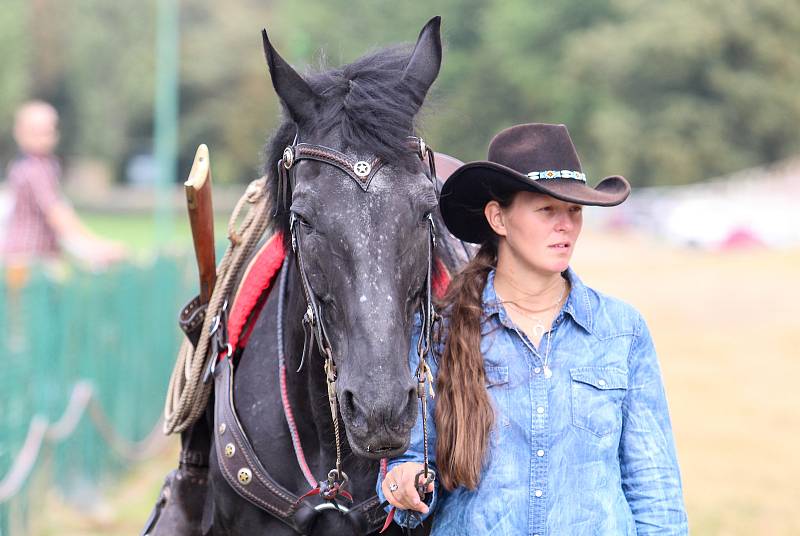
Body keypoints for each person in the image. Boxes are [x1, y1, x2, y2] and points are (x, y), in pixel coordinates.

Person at [378, 123, 688, 534]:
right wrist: (403, 482)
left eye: (574, 210)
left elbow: (655, 491)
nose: (566, 225)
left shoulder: (622, 331)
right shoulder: (439, 332)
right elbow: (413, 463)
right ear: (498, 218)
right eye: (547, 210)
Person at [2, 100, 125, 287]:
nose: (42, 137)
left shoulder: (33, 165)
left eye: (47, 130)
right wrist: (96, 247)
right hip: (29, 265)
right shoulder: (33, 169)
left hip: (33, 263)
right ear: (19, 132)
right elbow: (57, 214)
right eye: (35, 130)